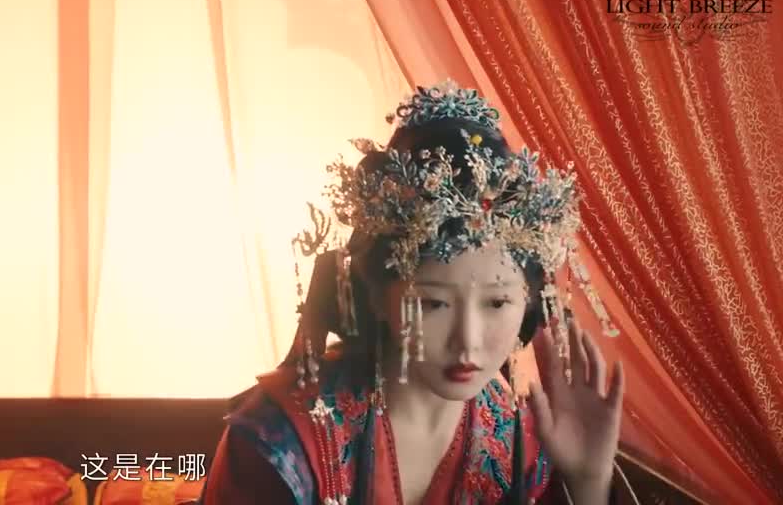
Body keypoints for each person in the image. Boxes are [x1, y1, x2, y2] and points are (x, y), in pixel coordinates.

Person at [201, 80, 630, 504]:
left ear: (529, 301)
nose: (467, 340)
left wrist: (589, 482)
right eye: (433, 302)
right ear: (377, 295)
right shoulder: (284, 441)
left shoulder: (520, 440)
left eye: (497, 302)